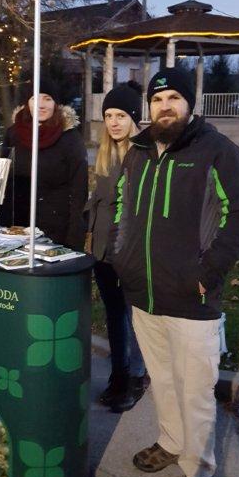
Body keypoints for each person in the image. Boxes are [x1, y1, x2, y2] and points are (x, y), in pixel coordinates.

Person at [111, 67, 239, 477]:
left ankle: (199, 471)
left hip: (193, 298)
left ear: (190, 103)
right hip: (144, 292)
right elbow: (121, 205)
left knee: (195, 391)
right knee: (163, 379)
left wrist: (207, 272)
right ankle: (172, 442)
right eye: (157, 99)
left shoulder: (217, 151)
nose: (165, 106)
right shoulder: (137, 152)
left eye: (174, 97)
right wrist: (121, 256)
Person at [88, 81, 147, 412]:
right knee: (114, 314)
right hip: (103, 251)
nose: (113, 122)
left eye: (121, 115)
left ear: (134, 118)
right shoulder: (105, 155)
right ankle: (119, 373)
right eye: (109, 115)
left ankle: (137, 376)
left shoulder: (144, 156)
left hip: (130, 252)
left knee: (134, 316)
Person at [3, 77, 88, 250]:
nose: (41, 105)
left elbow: (79, 191)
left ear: (56, 103)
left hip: (56, 232)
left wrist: (74, 237)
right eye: (35, 98)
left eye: (47, 99)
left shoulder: (69, 138)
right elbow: (4, 182)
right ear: (27, 102)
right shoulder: (13, 134)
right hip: (17, 228)